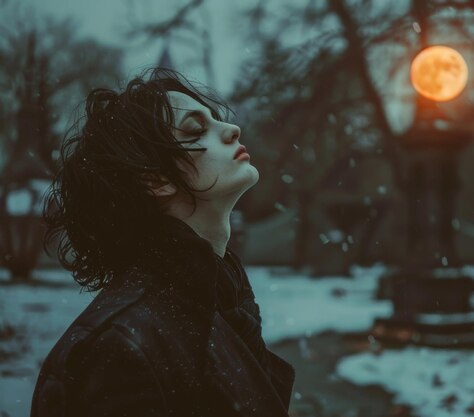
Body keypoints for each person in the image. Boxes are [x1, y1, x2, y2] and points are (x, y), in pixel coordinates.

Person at [30, 67, 295, 416]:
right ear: (155, 179)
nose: (232, 130)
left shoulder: (218, 305)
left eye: (217, 121)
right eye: (197, 129)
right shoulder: (120, 350)